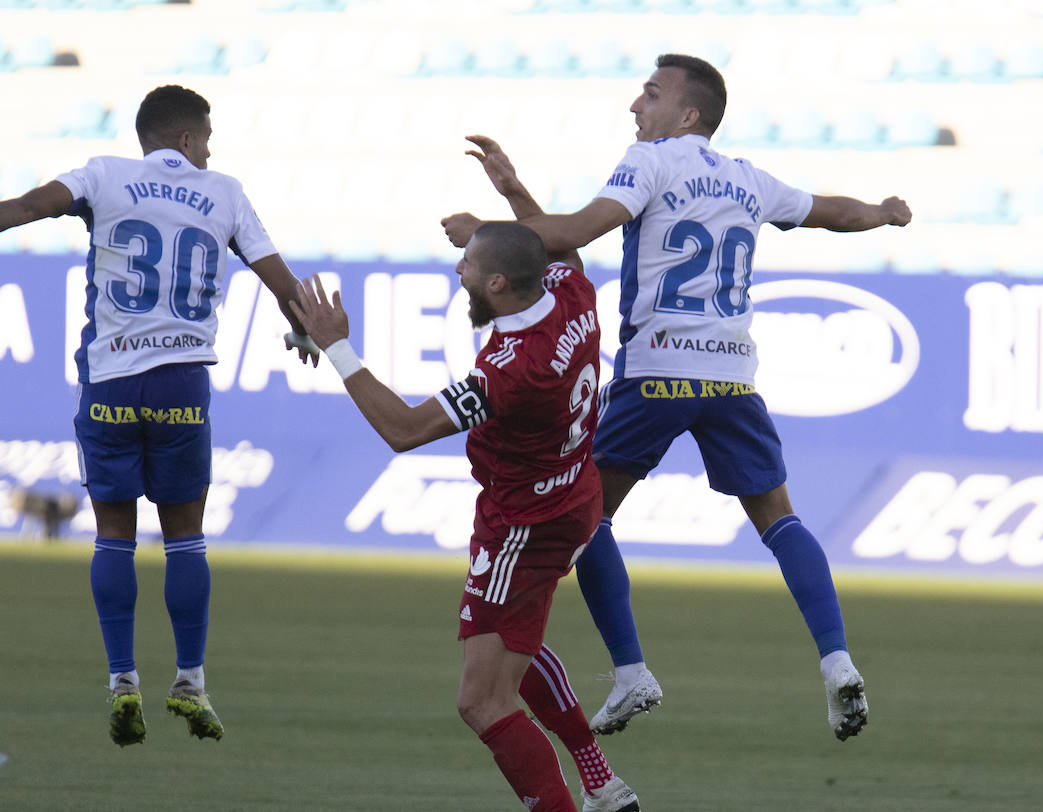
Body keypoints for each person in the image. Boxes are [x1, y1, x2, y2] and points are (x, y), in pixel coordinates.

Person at [442, 53, 911, 741]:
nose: (636, 106)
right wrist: (882, 212)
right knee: (779, 519)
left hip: (656, 371)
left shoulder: (651, 163)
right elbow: (830, 211)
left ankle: (631, 670)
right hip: (730, 377)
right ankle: (836, 660)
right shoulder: (748, 179)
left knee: (585, 514)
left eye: (651, 94)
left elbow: (570, 239)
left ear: (688, 115)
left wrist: (487, 233)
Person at [291, 154, 639, 811]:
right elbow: (555, 247)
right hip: (571, 492)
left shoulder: (509, 370)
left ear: (500, 284)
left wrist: (339, 347)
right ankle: (600, 782)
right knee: (516, 641)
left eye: (471, 266)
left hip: (525, 522)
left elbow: (403, 429)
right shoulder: (572, 290)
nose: (459, 270)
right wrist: (510, 195)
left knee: (481, 698)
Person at [0, 85, 319, 747]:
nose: (208, 153)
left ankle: (122, 681)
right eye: (205, 141)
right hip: (181, 386)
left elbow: (32, 206)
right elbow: (283, 284)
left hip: (110, 383)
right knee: (185, 537)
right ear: (185, 140)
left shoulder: (102, 174)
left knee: (113, 532)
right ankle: (191, 682)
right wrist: (308, 333)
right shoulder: (224, 192)